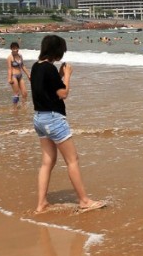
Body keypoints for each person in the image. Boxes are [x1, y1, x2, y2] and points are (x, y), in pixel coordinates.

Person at [30, 34, 105, 214]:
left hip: (39, 118)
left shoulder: (36, 67)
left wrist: (60, 75)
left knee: (47, 162)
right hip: (54, 119)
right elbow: (63, 94)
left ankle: (41, 203)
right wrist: (68, 76)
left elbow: (46, 88)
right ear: (57, 51)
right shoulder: (49, 68)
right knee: (72, 160)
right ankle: (84, 201)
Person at [7, 42, 29, 106]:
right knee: (16, 93)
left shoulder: (20, 55)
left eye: (16, 48)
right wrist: (9, 78)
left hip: (20, 76)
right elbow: (9, 69)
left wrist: (28, 75)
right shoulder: (9, 57)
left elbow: (22, 66)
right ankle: (15, 108)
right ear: (11, 49)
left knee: (25, 93)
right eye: (14, 48)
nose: (15, 50)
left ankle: (23, 107)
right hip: (14, 76)